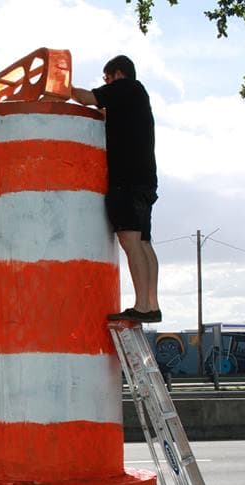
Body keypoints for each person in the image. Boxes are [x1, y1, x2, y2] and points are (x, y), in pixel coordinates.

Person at [72, 54, 160, 323]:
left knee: (130, 242)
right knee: (144, 243)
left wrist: (63, 87)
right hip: (145, 181)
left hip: (127, 181)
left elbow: (87, 98)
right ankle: (151, 304)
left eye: (107, 78)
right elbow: (105, 114)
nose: (106, 83)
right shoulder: (137, 98)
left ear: (118, 74)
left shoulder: (125, 87)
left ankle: (141, 306)